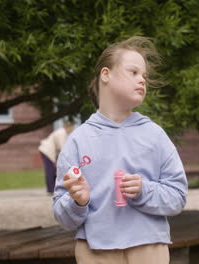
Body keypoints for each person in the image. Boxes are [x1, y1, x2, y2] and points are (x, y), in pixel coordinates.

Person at [53, 36, 188, 264]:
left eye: (144, 76)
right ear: (106, 75)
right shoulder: (78, 141)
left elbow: (178, 197)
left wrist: (144, 190)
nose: (142, 81)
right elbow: (62, 214)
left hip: (149, 248)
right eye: (133, 72)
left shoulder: (155, 136)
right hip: (94, 251)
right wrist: (78, 201)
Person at [38, 120, 74, 193]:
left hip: (47, 151)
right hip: (47, 151)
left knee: (51, 170)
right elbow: (62, 148)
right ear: (68, 127)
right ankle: (51, 189)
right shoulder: (62, 133)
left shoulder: (61, 132)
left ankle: (51, 189)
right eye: (71, 128)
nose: (72, 130)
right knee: (50, 170)